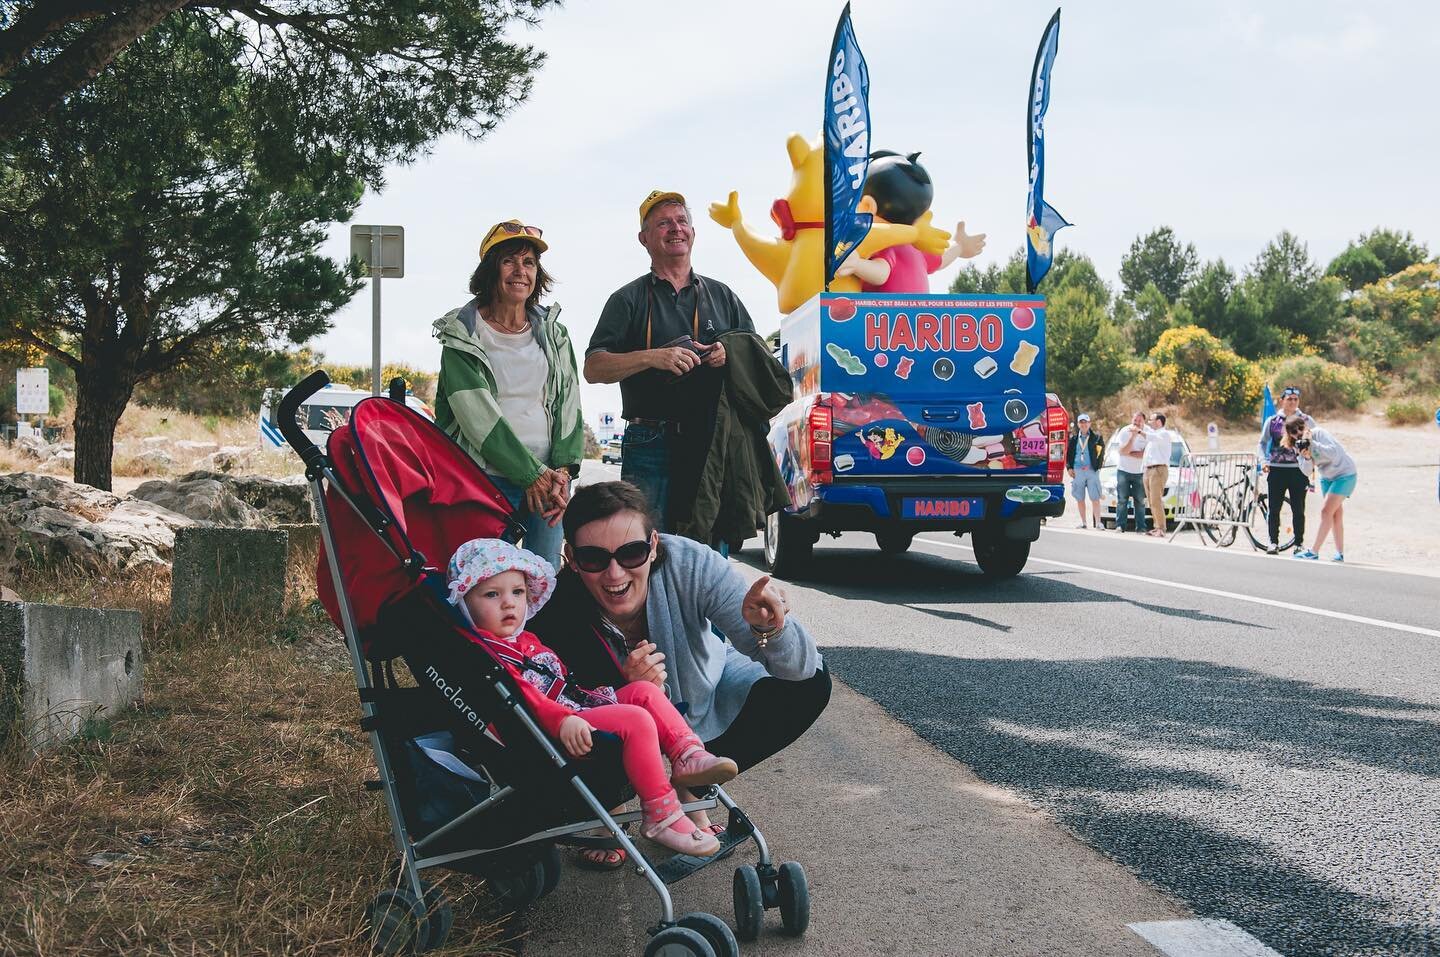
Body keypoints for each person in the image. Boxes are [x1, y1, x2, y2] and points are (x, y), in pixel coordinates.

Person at [527, 480, 831, 868]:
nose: (614, 573)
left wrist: (772, 628)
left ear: (654, 545)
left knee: (812, 684)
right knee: (587, 733)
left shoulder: (693, 564)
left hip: (707, 688)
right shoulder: (555, 610)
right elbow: (560, 711)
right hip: (620, 723)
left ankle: (693, 786)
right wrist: (623, 689)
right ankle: (610, 812)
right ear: (570, 557)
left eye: (632, 552)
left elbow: (802, 669)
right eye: (593, 559)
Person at [446, 537, 734, 857]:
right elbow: (524, 697)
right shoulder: (487, 653)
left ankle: (688, 755)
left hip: (572, 706)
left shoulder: (523, 640)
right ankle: (661, 814)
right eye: (491, 594)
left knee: (645, 692)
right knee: (635, 719)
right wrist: (563, 720)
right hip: (546, 729)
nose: (509, 603)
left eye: (517, 592)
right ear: (464, 602)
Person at [584, 191, 757, 530]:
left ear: (692, 232)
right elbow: (593, 367)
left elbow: (757, 357)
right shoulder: (627, 299)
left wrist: (729, 354)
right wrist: (653, 357)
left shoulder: (723, 296)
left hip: (711, 442)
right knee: (646, 545)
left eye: (682, 221)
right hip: (649, 441)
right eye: (663, 223)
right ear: (644, 238)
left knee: (707, 548)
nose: (675, 229)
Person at [433, 220, 584, 569]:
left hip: (548, 480)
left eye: (529, 262)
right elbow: (477, 416)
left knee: (543, 580)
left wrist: (561, 473)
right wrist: (528, 473)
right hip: (484, 477)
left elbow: (570, 405)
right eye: (509, 261)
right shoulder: (463, 335)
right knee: (483, 582)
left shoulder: (554, 333)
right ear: (490, 270)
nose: (520, 271)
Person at [1284, 416, 1357, 562]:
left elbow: (1334, 453)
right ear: (1290, 435)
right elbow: (1306, 472)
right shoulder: (1298, 447)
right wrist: (1306, 457)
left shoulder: (1319, 433)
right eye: (1293, 431)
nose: (1298, 432)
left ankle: (1314, 551)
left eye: (1300, 428)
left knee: (1325, 511)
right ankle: (1340, 553)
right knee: (1335, 514)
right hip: (1327, 478)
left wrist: (1312, 444)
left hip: (1344, 474)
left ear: (1305, 427)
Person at [1256, 386, 1316, 555]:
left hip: (1299, 470)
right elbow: (1262, 443)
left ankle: (1299, 543)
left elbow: (1317, 437)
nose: (1292, 402)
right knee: (1274, 508)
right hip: (1277, 469)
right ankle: (1273, 542)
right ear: (1282, 400)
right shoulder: (1273, 420)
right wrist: (1263, 460)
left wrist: (1312, 459)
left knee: (1299, 508)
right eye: (1289, 399)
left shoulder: (1305, 419)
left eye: (1295, 399)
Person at [1066, 413, 1104, 529]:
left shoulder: (1096, 438)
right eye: (1081, 422)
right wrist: (1069, 468)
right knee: (1079, 498)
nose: (1083, 424)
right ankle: (1083, 522)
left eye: (1085, 422)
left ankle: (1098, 522)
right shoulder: (1073, 439)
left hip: (1091, 470)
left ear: (1089, 424)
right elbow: (1069, 455)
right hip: (1078, 471)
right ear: (1078, 424)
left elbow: (1101, 454)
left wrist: (1098, 467)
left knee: (1095, 497)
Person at [1142, 412, 1175, 538]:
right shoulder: (1154, 435)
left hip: (1158, 469)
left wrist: (1140, 432)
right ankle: (1156, 526)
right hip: (1149, 470)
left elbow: (1151, 437)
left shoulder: (1164, 434)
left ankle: (1161, 527)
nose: (1149, 422)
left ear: (1159, 421)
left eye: (1151, 419)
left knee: (1156, 499)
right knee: (1151, 501)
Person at [1114, 411, 1149, 533]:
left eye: (1139, 421)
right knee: (1122, 500)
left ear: (1144, 421)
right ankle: (1120, 525)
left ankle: (1141, 527)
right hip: (1123, 470)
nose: (1137, 423)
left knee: (1139, 500)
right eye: (1135, 420)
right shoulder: (1124, 431)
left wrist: (1129, 453)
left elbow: (1145, 455)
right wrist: (1132, 437)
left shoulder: (1148, 433)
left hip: (1140, 472)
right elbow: (1122, 451)